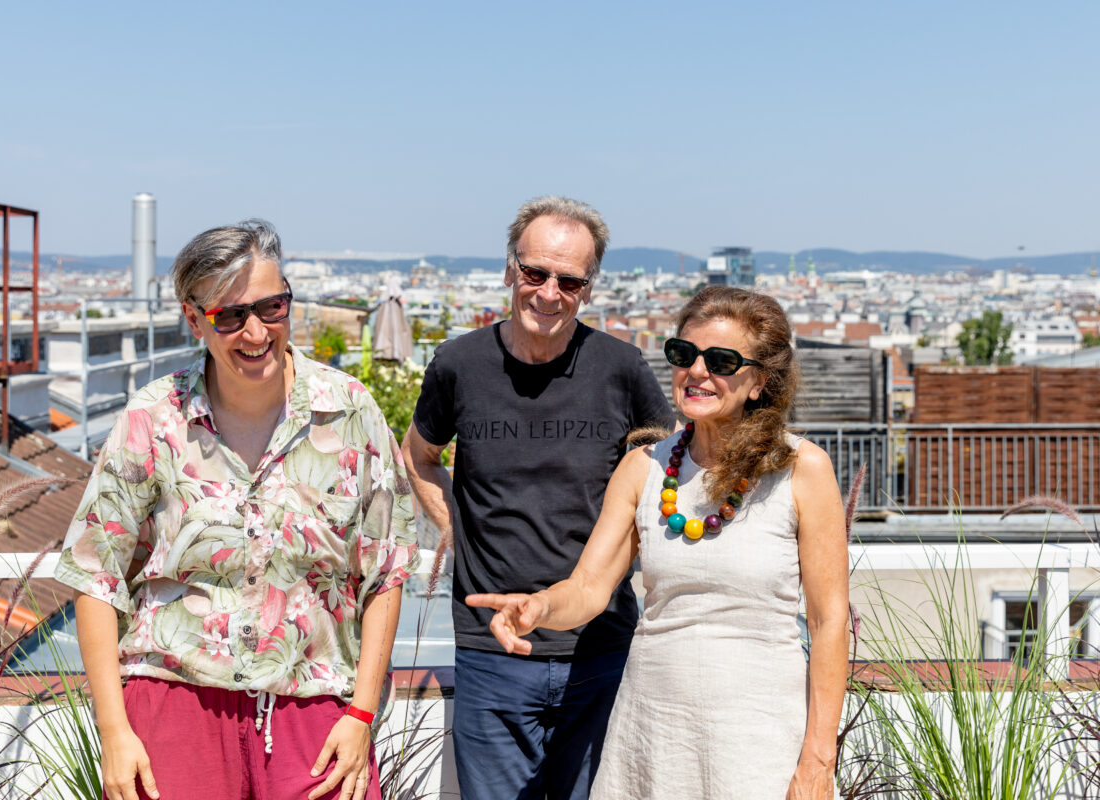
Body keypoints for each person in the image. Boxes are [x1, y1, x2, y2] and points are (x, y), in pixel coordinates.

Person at [54, 220, 418, 800]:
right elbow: (96, 577)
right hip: (174, 702)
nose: (256, 331)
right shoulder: (152, 419)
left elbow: (387, 569)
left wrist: (362, 713)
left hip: (317, 707)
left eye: (273, 307)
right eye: (230, 316)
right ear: (194, 319)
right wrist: (114, 731)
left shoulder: (350, 411)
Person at [468, 286, 850, 799]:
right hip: (652, 733)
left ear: (758, 380)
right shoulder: (643, 467)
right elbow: (587, 589)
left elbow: (829, 623)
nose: (696, 371)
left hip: (759, 738)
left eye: (721, 360)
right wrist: (537, 607)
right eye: (683, 354)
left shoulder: (802, 469)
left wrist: (818, 762)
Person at [401, 196, 674, 799]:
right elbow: (418, 454)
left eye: (569, 280)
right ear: (509, 270)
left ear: (588, 288)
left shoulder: (622, 369)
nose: (549, 292)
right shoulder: (458, 364)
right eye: (535, 273)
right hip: (491, 646)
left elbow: (667, 473)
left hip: (601, 648)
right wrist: (458, 528)